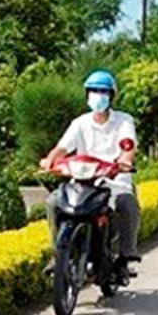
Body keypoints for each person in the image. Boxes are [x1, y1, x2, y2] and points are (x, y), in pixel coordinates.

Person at [38, 70, 141, 283]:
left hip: (114, 180)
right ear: (87, 95)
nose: (98, 95)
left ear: (111, 96)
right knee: (54, 201)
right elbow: (63, 147)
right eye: (94, 91)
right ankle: (58, 254)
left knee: (127, 203)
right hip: (83, 180)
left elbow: (128, 145)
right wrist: (50, 159)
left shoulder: (124, 121)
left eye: (103, 91)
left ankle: (125, 257)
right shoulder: (80, 123)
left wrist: (125, 160)